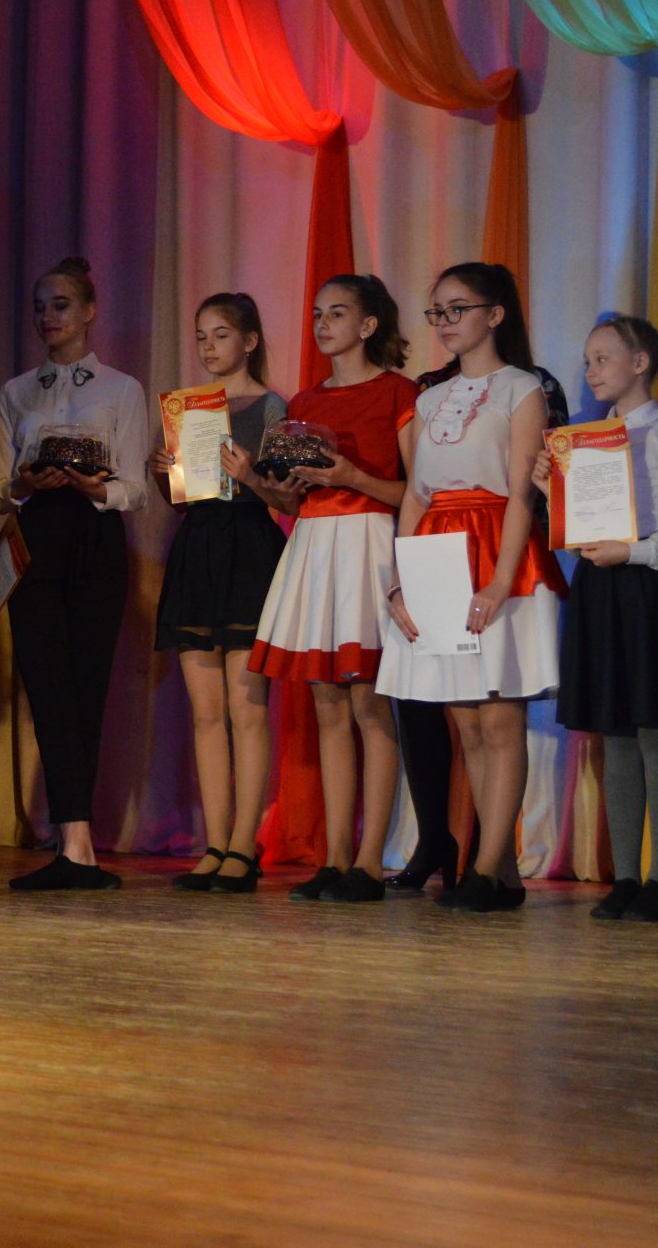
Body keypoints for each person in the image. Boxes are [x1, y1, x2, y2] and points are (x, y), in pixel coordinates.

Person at [380, 262, 567, 914]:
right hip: (437, 552)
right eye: (437, 311)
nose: (445, 322)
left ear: (495, 314)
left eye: (457, 308)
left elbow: (521, 493)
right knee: (465, 721)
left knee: (499, 715)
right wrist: (400, 581)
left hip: (495, 548)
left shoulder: (522, 388)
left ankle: (488, 866)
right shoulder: (429, 399)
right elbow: (415, 494)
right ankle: (500, 869)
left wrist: (499, 580)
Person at [536, 316, 658, 922]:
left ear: (641, 362)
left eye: (603, 358)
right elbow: (581, 530)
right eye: (587, 360)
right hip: (603, 591)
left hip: (653, 589)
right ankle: (626, 878)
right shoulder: (584, 443)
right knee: (614, 734)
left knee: (656, 732)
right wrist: (551, 494)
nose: (591, 371)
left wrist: (632, 552)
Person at [249, 275, 416, 903]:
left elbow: (415, 492)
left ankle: (370, 861)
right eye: (318, 313)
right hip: (316, 545)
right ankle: (337, 857)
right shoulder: (305, 402)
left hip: (369, 544)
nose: (323, 324)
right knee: (327, 706)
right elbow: (293, 500)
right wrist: (268, 486)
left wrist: (351, 475)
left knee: (369, 703)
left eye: (337, 314)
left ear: (369, 325)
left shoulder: (399, 392)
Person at [0, 257, 142, 893]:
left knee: (85, 688)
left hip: (95, 536)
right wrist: (24, 484)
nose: (47, 317)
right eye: (39, 306)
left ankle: (78, 843)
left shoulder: (122, 389)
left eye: (59, 305)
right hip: (36, 538)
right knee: (46, 688)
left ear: (88, 311)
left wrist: (93, 486)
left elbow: (135, 487)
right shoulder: (16, 392)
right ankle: (71, 842)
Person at [150, 293, 287, 894]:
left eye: (221, 334)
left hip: (250, 550)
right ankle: (215, 843)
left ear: (249, 341)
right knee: (206, 713)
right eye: (201, 336)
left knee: (246, 709)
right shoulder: (189, 407)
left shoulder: (272, 406)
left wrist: (249, 474)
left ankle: (244, 846)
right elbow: (184, 500)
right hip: (200, 548)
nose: (208, 346)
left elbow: (287, 497)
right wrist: (165, 473)